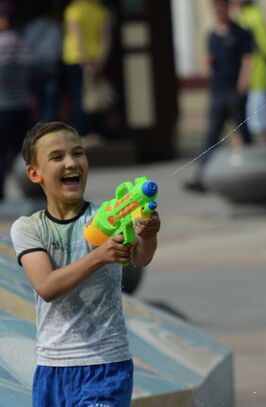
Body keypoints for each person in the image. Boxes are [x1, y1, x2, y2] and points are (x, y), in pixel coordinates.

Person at [10, 121, 161, 406]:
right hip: (52, 367)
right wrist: (99, 256)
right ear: (34, 173)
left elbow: (141, 257)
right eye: (57, 157)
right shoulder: (28, 228)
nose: (71, 162)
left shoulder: (107, 216)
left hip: (106, 365)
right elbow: (46, 286)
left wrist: (148, 235)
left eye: (78, 153)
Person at [185, 0, 254, 193]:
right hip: (217, 90)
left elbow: (248, 59)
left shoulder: (240, 32)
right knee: (211, 135)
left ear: (226, 8)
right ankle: (201, 175)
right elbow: (208, 60)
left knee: (243, 132)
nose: (217, 11)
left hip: (234, 89)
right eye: (214, 8)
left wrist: (243, 84)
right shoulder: (212, 35)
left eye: (220, 7)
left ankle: (250, 174)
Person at [62, 0, 112, 145]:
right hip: (97, 58)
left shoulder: (73, 10)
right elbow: (106, 39)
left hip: (76, 59)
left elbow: (78, 39)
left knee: (79, 97)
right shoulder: (100, 10)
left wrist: (85, 63)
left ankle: (83, 133)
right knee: (96, 96)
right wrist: (100, 62)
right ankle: (98, 132)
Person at [230, 0, 266, 143]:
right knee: (250, 121)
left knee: (262, 123)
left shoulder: (253, 16)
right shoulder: (245, 15)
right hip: (246, 78)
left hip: (257, 77)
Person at [0, 0, 31, 202]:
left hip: (3, 107)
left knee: (1, 155)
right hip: (21, 104)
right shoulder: (21, 41)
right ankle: (30, 190)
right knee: (24, 153)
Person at [24, 2, 63, 122]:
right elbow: (58, 45)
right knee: (50, 98)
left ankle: (39, 125)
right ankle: (49, 126)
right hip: (50, 64)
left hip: (34, 64)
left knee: (38, 98)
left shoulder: (30, 27)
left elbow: (26, 46)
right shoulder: (53, 25)